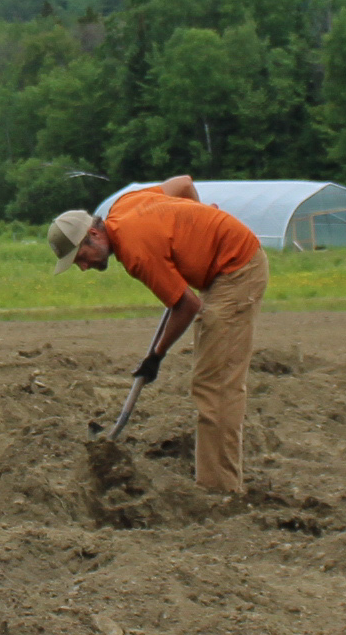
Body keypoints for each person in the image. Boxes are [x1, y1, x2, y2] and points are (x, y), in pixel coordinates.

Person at [47, 177, 269, 499]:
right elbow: (182, 185)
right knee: (210, 380)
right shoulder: (123, 206)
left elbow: (187, 306)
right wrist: (197, 222)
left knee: (216, 384)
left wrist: (156, 356)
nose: (83, 267)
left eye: (81, 257)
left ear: (94, 234)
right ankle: (218, 483)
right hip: (220, 267)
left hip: (236, 271)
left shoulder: (136, 251)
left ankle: (219, 492)